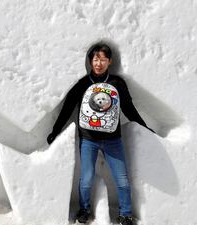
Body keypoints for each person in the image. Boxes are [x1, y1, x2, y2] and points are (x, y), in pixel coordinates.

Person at [47, 43, 153, 225]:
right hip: (88, 140)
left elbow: (128, 108)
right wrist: (55, 130)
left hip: (113, 140)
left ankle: (126, 214)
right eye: (96, 59)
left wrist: (144, 126)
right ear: (90, 61)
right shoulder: (82, 84)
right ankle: (84, 209)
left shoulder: (117, 83)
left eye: (103, 59)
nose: (99, 63)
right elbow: (67, 109)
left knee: (122, 180)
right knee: (86, 179)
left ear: (109, 61)